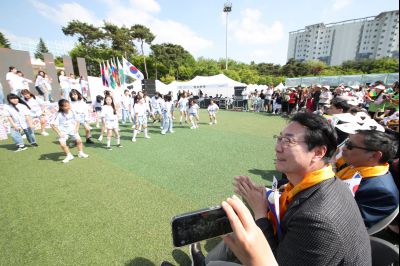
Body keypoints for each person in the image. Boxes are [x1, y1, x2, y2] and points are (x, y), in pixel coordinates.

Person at [191, 112, 371, 266]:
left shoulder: (317, 219)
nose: (278, 147)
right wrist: (267, 199)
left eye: (289, 141)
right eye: (279, 138)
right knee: (239, 234)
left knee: (220, 261)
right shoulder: (325, 184)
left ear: (318, 153)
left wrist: (260, 212)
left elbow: (274, 260)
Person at [336, 130, 399, 228]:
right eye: (346, 142)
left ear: (375, 156)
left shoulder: (381, 193)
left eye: (350, 146)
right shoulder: (356, 165)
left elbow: (349, 225)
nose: (343, 148)